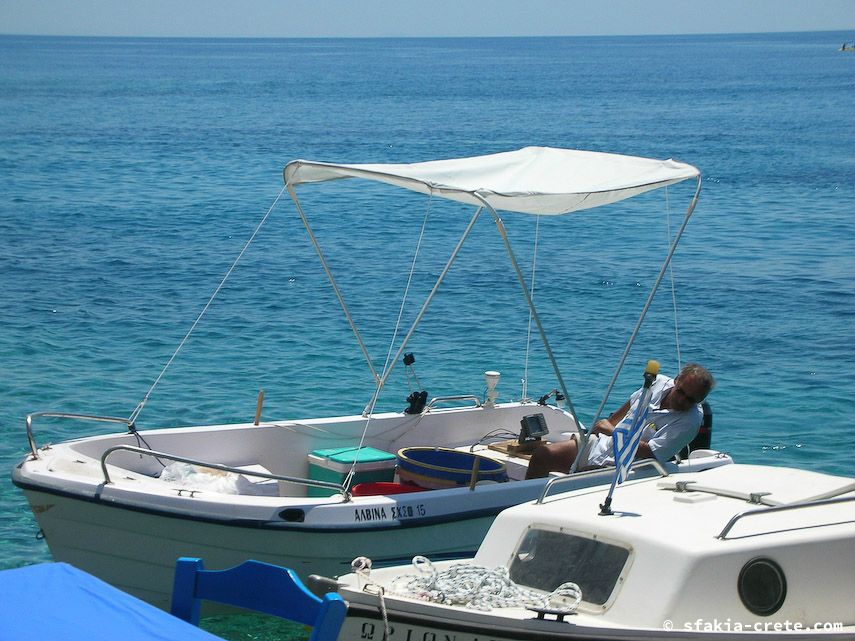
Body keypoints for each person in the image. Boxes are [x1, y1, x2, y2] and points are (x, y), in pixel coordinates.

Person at [525, 363, 714, 479]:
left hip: (628, 464)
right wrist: (604, 427)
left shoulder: (690, 422)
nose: (682, 400)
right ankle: (524, 505)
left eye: (691, 399)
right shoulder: (657, 382)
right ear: (677, 380)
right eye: (681, 392)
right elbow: (627, 408)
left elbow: (652, 453)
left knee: (581, 476)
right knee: (543, 454)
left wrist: (613, 432)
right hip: (602, 445)